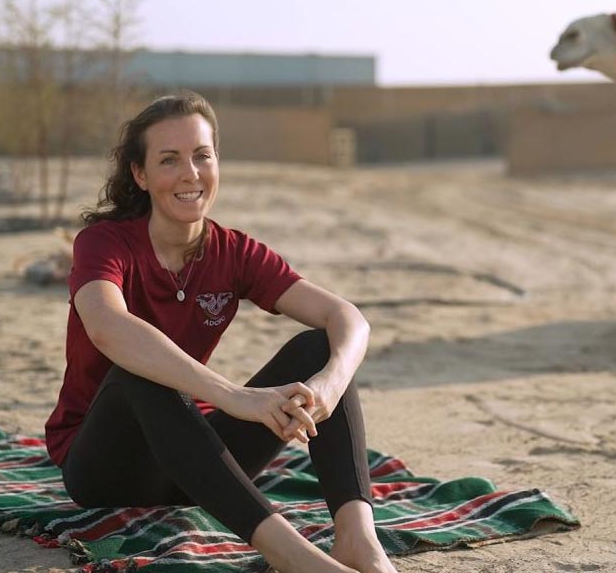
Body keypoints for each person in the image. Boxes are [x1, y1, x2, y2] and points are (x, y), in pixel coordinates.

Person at [44, 91, 397, 573]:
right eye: (169, 160)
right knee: (141, 370)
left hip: (196, 467)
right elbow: (107, 327)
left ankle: (358, 541)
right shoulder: (103, 243)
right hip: (106, 467)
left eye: (202, 155)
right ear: (140, 174)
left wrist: (329, 386)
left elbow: (347, 317)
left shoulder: (233, 251)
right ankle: (293, 557)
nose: (190, 173)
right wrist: (233, 396)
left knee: (319, 347)